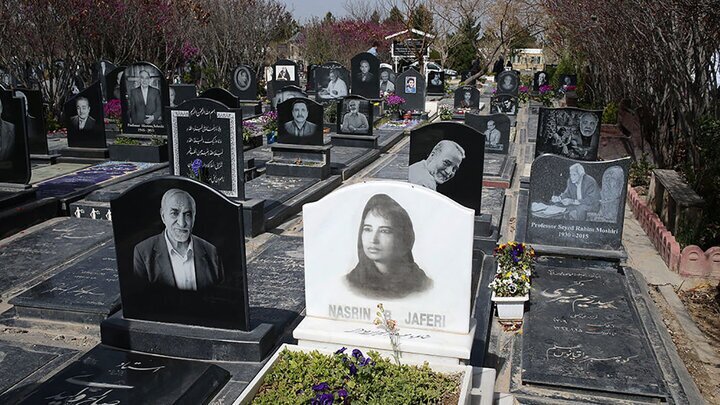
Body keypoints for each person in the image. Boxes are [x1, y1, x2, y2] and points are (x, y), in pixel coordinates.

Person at [345, 193, 433, 299]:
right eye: (368, 229)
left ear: (402, 237)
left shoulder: (422, 285)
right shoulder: (350, 283)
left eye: (384, 231)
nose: (373, 240)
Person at [133, 189, 224, 291]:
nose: (182, 223)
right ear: (163, 216)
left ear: (194, 218)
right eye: (174, 213)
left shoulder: (211, 252)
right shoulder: (143, 252)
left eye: (187, 214)